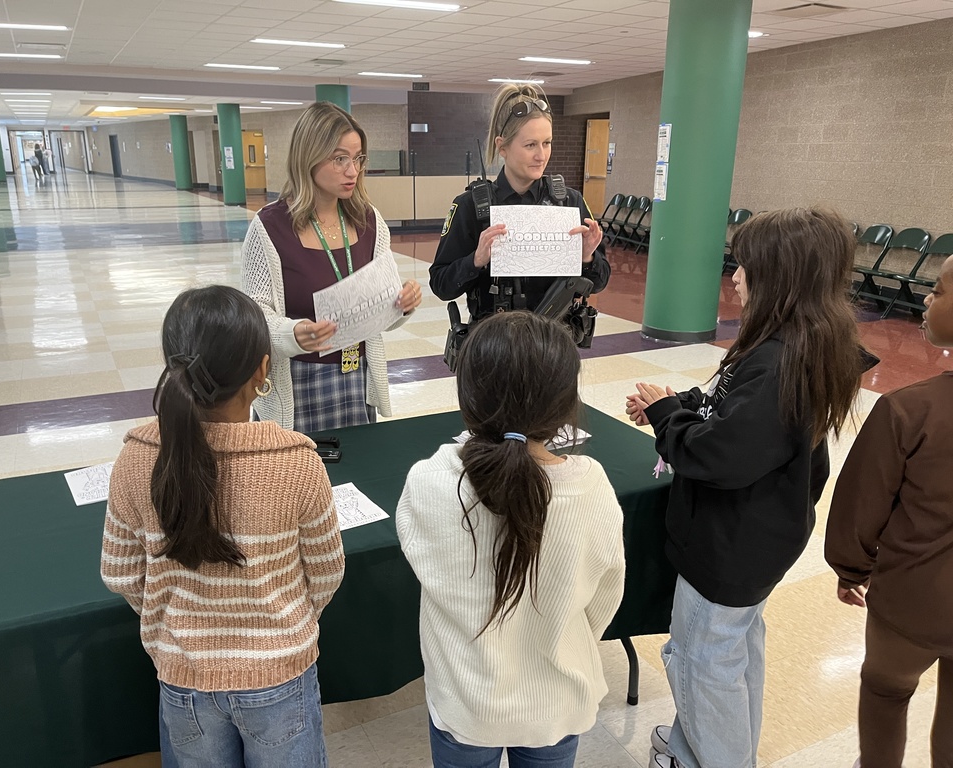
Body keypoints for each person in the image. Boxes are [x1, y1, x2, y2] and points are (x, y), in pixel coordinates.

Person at [625, 208, 862, 768]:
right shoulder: (792, 346)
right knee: (732, 654)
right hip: (757, 540)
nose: (735, 276)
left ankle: (722, 758)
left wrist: (668, 422)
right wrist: (674, 405)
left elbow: (717, 454)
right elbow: (728, 413)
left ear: (780, 279)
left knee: (702, 662)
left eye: (747, 267)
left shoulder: (782, 364)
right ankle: (696, 747)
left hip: (728, 547)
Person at [100, 285, 344, 768]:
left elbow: (122, 575)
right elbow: (326, 574)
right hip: (280, 675)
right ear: (262, 368)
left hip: (182, 677)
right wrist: (278, 620)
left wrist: (181, 622)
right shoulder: (296, 460)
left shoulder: (135, 456)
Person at [397, 311, 626, 768]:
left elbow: (424, 567)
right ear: (565, 406)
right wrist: (559, 638)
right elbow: (606, 594)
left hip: (466, 701)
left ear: (467, 397)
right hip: (557, 702)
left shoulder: (428, 480)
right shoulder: (591, 485)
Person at [824, 253, 953, 768]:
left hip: (911, 598)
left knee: (886, 690)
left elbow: (861, 505)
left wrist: (850, 568)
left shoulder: (909, 409)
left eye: (939, 290)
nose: (926, 297)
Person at [241, 101, 422, 432]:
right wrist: (292, 333)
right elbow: (254, 319)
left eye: (357, 158)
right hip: (296, 383)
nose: (353, 170)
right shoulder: (270, 227)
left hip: (358, 374)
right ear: (308, 157)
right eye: (340, 159)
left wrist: (402, 305)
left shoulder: (369, 221)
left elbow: (384, 312)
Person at [429, 84, 609, 323]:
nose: (541, 155)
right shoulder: (471, 206)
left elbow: (600, 282)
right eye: (530, 145)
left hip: (554, 344)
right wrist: (476, 260)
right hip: (493, 345)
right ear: (502, 146)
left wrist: (586, 257)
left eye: (547, 143)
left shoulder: (569, 202)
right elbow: (441, 285)